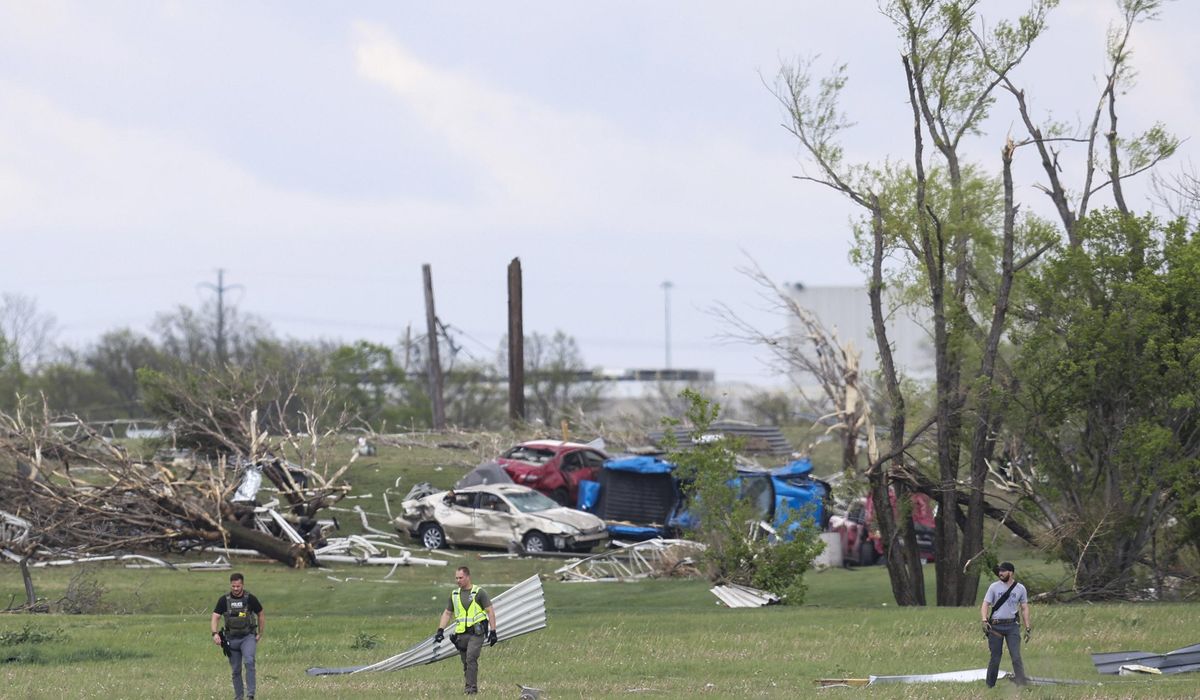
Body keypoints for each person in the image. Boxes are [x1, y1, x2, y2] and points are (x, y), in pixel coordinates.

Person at [434, 566, 498, 695]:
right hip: (461, 634)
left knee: (471, 658)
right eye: (456, 578)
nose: (458, 580)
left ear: (468, 577)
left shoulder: (479, 592)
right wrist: (440, 630)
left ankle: (471, 689)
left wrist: (493, 631)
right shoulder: (454, 594)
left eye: (461, 578)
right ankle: (469, 685)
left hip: (477, 632)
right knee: (465, 663)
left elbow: (490, 611)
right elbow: (447, 613)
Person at [211, 572, 264, 700]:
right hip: (231, 639)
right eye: (233, 586)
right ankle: (239, 697)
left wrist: (260, 633)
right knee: (235, 670)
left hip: (247, 637)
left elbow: (261, 614)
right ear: (231, 585)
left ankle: (250, 695)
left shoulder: (250, 598)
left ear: (242, 585)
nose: (235, 589)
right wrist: (215, 633)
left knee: (249, 661)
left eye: (238, 586)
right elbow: (215, 617)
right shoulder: (224, 600)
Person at [980, 561, 1031, 688]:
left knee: (1016, 656)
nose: (1000, 573)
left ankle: (1020, 681)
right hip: (995, 626)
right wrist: (984, 620)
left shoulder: (1020, 588)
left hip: (1012, 626)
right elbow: (985, 604)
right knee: (995, 657)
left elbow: (1024, 608)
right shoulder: (993, 587)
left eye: (1003, 571)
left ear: (1011, 572)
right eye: (999, 571)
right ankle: (990, 685)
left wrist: (1027, 627)